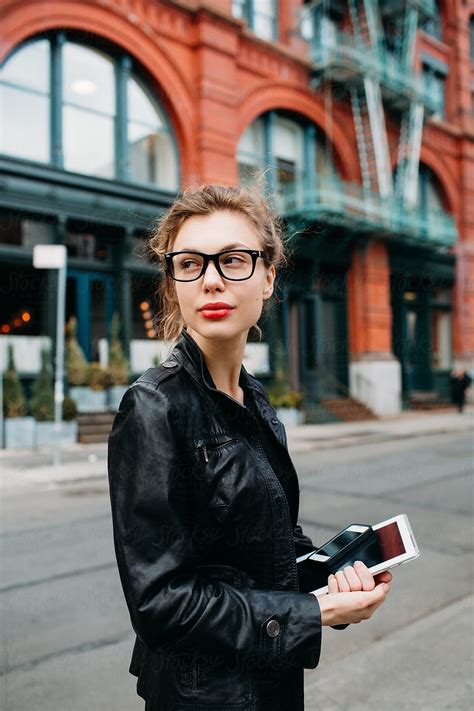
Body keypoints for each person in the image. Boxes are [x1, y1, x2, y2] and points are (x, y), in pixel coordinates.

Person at [107, 184, 392, 711]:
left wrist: (333, 578)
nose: (211, 279)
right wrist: (315, 612)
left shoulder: (254, 398)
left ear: (267, 278)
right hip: (204, 697)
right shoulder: (153, 407)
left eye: (233, 260)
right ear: (174, 285)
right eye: (190, 263)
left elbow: (268, 547)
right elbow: (160, 604)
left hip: (270, 682)